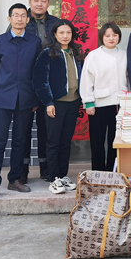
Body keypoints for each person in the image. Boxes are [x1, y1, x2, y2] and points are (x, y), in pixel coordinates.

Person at [0, 3, 42, 201]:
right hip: (2, 97)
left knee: (20, 140)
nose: (19, 19)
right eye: (16, 15)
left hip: (26, 98)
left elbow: (37, 71)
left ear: (28, 19)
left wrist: (35, 97)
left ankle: (15, 179)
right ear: (9, 19)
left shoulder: (34, 42)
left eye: (23, 15)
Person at [33, 19, 84, 194]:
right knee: (53, 142)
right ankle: (53, 178)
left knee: (66, 142)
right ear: (55, 34)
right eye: (61, 32)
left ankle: (63, 175)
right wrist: (48, 102)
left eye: (68, 32)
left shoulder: (76, 53)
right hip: (56, 104)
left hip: (73, 102)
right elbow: (39, 81)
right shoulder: (48, 53)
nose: (65, 36)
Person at [19, 0, 60, 182]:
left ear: (48, 3)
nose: (39, 4)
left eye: (43, 0)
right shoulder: (21, 21)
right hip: (26, 85)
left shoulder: (56, 23)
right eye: (36, 0)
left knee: (46, 130)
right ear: (30, 2)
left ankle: (46, 168)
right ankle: (22, 171)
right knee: (23, 130)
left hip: (48, 85)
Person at [80, 23, 128, 172]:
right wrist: (88, 102)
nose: (111, 38)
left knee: (116, 141)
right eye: (107, 35)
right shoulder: (94, 56)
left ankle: (112, 172)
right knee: (98, 141)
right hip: (99, 104)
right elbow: (86, 80)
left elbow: (129, 78)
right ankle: (98, 173)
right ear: (102, 37)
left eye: (114, 35)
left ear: (119, 37)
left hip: (119, 104)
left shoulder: (124, 55)